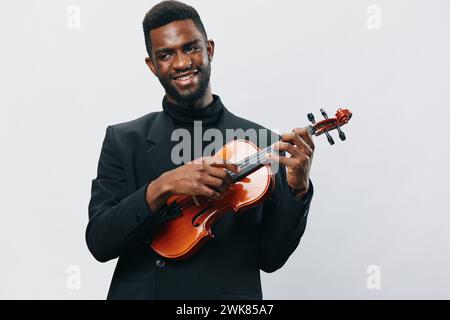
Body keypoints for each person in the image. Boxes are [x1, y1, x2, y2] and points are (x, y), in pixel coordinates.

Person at [86, 0, 315, 300]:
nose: (181, 63)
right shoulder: (124, 140)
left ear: (209, 49)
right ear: (152, 65)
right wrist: (162, 186)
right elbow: (100, 242)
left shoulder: (260, 140)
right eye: (166, 54)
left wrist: (297, 190)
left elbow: (271, 259)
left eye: (190, 47)